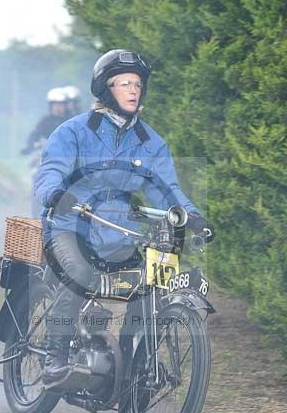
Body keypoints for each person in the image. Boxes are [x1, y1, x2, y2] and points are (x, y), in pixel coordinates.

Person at [33, 49, 215, 385]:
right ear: (105, 89)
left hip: (120, 234)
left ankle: (136, 366)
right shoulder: (73, 131)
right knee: (78, 273)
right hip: (70, 227)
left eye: (138, 84)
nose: (134, 90)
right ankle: (55, 356)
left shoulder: (150, 142)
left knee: (153, 285)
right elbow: (51, 171)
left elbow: (167, 188)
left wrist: (193, 216)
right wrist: (56, 194)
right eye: (124, 83)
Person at [20, 87, 68, 156]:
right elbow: (36, 134)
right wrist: (29, 146)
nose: (58, 107)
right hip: (49, 154)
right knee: (35, 163)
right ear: (50, 106)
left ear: (65, 106)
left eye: (61, 104)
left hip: (68, 156)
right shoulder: (45, 120)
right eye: (55, 104)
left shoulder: (70, 120)